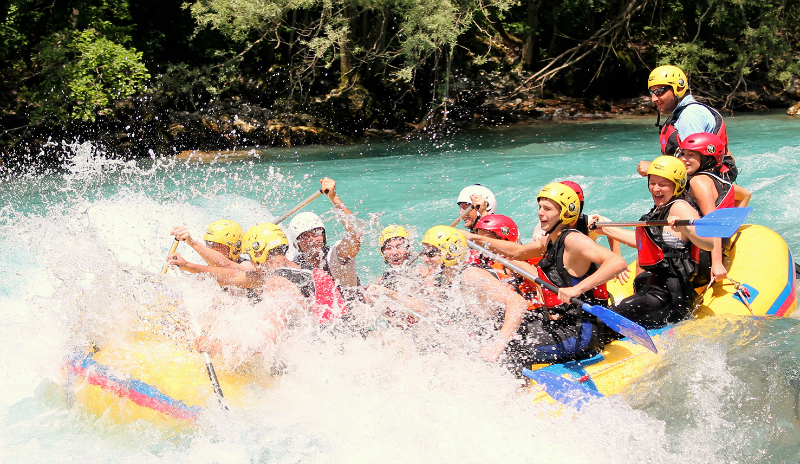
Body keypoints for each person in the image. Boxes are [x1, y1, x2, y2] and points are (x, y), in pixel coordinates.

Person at [464, 183, 627, 366]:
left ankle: (518, 391)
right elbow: (517, 252)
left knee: (511, 348)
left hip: (579, 333)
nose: (540, 213)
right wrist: (474, 238)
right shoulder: (551, 239)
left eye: (547, 209)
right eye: (540, 207)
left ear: (565, 213)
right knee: (495, 330)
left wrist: (577, 289)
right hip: (561, 324)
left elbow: (617, 263)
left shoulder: (574, 239)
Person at [593, 156, 715, 329]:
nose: (656, 189)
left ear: (677, 185)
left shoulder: (680, 207)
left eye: (663, 184)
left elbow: (709, 243)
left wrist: (686, 229)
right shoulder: (660, 209)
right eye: (652, 183)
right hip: (653, 291)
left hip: (670, 297)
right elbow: (643, 242)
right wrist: (605, 228)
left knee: (603, 320)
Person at [167, 223, 348, 323]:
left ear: (259, 252)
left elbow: (270, 336)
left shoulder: (277, 282)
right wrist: (189, 265)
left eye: (251, 256)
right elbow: (231, 274)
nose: (251, 261)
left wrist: (216, 346)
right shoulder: (308, 273)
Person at [640, 65, 737, 181]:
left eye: (659, 92)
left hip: (704, 184)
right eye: (652, 93)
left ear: (679, 89)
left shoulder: (690, 115)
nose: (654, 99)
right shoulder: (688, 112)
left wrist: (654, 167)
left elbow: (693, 161)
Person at [677, 132, 751, 284]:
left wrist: (717, 263)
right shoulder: (717, 180)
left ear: (708, 159)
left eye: (691, 155)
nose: (683, 159)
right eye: (683, 153)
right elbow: (745, 195)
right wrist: (730, 229)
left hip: (700, 261)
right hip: (708, 252)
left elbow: (712, 222)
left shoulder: (698, 182)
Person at [286, 177, 363, 301]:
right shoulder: (294, 266)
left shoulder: (336, 256)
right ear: (296, 245)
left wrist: (334, 198)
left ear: (324, 236)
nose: (312, 239)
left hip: (351, 313)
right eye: (305, 237)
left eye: (316, 233)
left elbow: (355, 234)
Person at [171, 219, 255, 271]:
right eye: (210, 242)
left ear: (235, 249)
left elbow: (225, 265)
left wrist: (192, 243)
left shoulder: (249, 266)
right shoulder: (207, 271)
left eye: (220, 244)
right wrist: (178, 265)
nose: (213, 247)